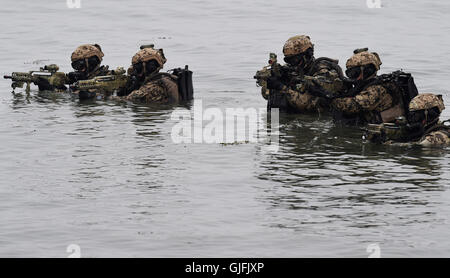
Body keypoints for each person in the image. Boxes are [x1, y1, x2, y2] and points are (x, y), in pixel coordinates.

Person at [263, 35, 347, 113]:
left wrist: (282, 87)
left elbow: (309, 103)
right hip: (296, 116)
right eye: (288, 60)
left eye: (295, 60)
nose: (292, 64)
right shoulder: (291, 69)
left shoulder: (323, 70)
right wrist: (272, 82)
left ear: (307, 55)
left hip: (316, 116)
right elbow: (266, 95)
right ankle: (274, 124)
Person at [331, 48, 410, 125]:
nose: (353, 78)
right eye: (350, 74)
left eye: (355, 73)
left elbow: (356, 105)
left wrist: (332, 100)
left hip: (385, 130)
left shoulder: (377, 88)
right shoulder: (369, 84)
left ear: (367, 71)